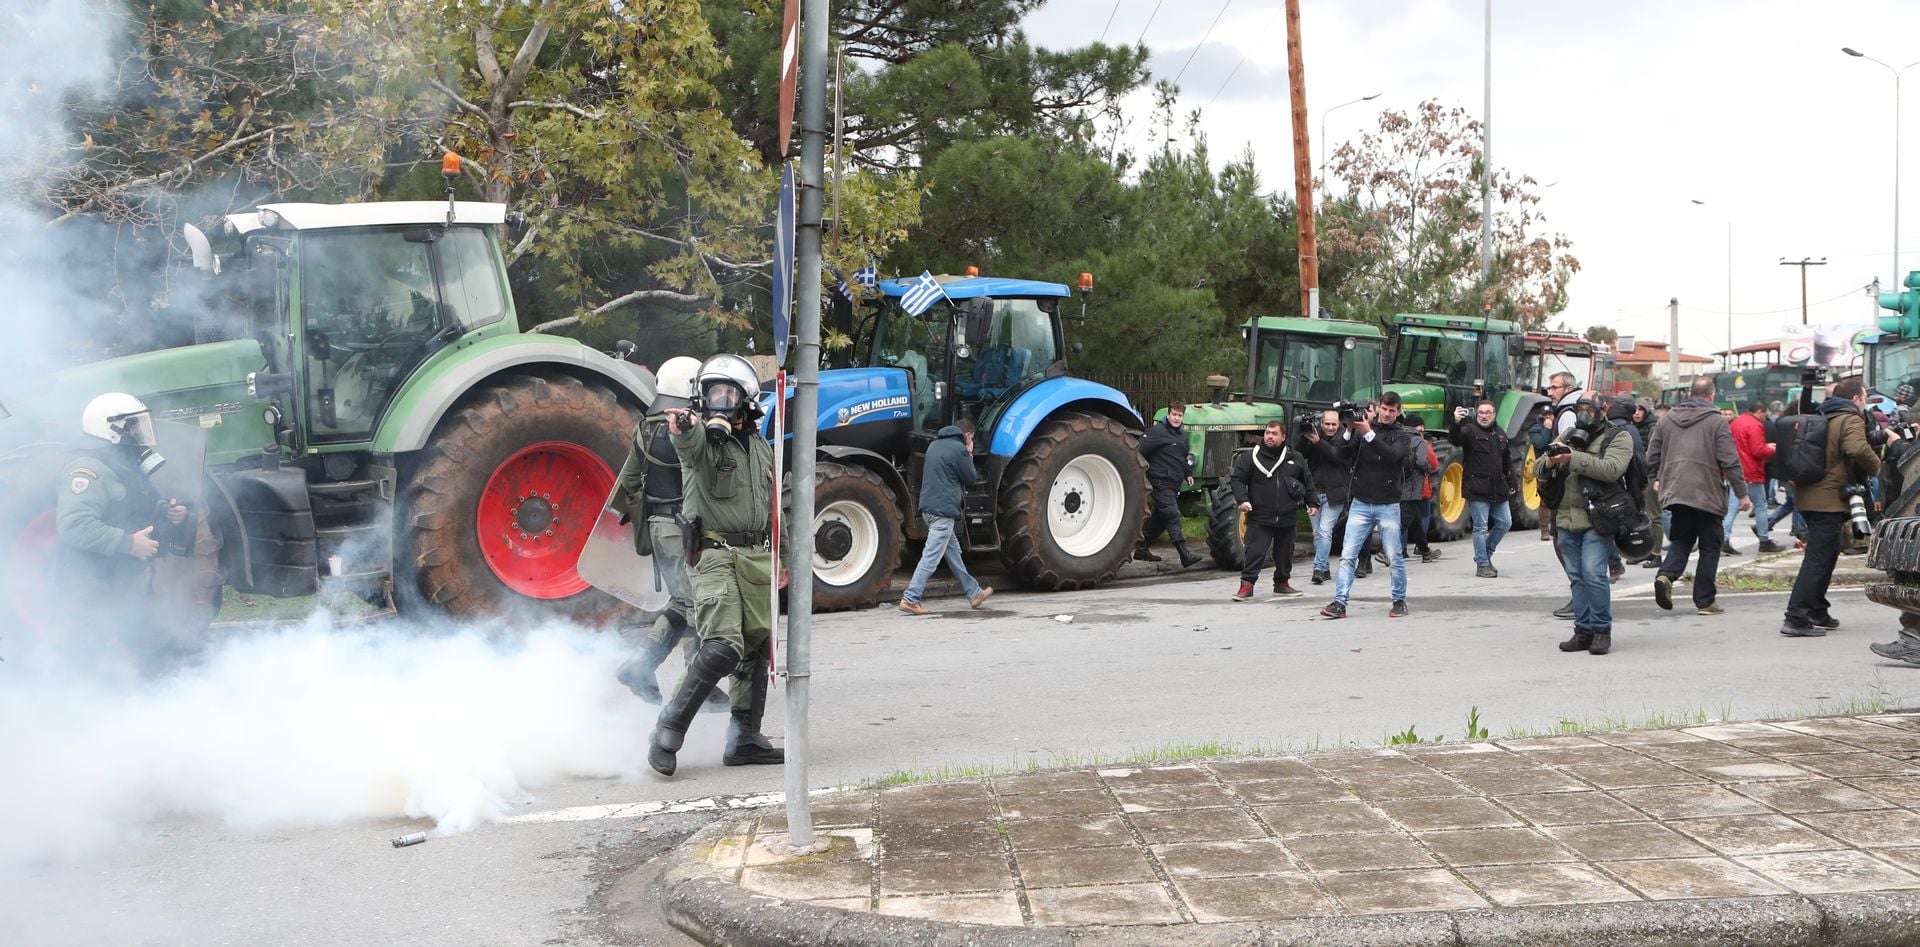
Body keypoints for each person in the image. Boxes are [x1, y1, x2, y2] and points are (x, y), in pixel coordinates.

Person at [648, 354, 785, 776]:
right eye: (710, 393)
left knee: (756, 645)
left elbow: (773, 506)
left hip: (757, 556)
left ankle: (744, 737)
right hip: (714, 556)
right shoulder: (702, 442)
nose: (718, 402)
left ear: (746, 399)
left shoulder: (760, 447)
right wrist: (685, 429)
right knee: (724, 646)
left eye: (726, 393)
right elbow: (687, 446)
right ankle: (669, 727)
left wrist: (783, 560)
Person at [610, 357, 730, 711]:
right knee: (698, 605)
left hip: (659, 528)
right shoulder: (690, 429)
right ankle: (699, 682)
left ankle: (640, 665)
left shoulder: (645, 427)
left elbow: (629, 482)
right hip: (686, 530)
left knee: (681, 601)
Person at [57, 392, 191, 671]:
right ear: (111, 429)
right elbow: (73, 525)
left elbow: (129, 501)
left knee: (154, 645)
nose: (138, 431)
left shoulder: (120, 463)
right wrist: (129, 543)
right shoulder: (87, 470)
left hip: (120, 575)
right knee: (88, 657)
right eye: (132, 425)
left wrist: (165, 509)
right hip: (92, 584)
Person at [1535, 400, 1636, 655]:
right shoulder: (1568, 434)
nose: (1584, 414)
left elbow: (1612, 469)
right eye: (1580, 409)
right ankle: (1583, 631)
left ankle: (1601, 630)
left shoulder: (1618, 436)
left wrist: (1572, 458)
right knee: (1577, 577)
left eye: (1590, 409)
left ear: (1602, 410)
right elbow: (1538, 467)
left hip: (1598, 517)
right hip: (1566, 516)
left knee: (1592, 573)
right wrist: (1549, 461)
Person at [1783, 377, 1880, 637]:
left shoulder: (1823, 415)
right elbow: (1857, 448)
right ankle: (1796, 616)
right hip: (1827, 499)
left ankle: (1816, 609)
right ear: (1856, 399)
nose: (1865, 404)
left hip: (1810, 495)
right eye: (1864, 398)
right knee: (1817, 559)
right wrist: (1877, 466)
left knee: (1826, 556)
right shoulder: (1850, 418)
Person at [1646, 377, 1749, 617]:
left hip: (1676, 491)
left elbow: (1652, 455)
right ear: (1711, 396)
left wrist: (1655, 477)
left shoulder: (1666, 419)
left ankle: (1665, 575)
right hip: (1707, 492)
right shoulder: (1716, 421)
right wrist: (1742, 494)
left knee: (1682, 539)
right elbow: (1730, 461)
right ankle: (1705, 601)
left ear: (1690, 393)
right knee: (1710, 545)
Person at [1321, 393, 1416, 620]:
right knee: (1347, 556)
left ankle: (1399, 601)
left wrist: (1369, 434)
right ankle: (1340, 603)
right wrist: (1349, 429)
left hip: (1388, 504)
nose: (1386, 413)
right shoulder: (1363, 430)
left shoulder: (1402, 435)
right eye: (1384, 408)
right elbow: (1340, 454)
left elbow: (1393, 456)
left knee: (1394, 556)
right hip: (1361, 502)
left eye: (1392, 410)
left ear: (1398, 411)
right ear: (1378, 408)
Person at [899, 421, 994, 614]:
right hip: (943, 512)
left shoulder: (934, 445)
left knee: (953, 554)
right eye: (972, 438)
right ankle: (911, 598)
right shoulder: (959, 449)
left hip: (928, 510)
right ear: (967, 435)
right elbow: (971, 478)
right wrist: (969, 453)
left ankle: (973, 592)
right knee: (931, 557)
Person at [1230, 419, 1313, 600]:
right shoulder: (1251, 457)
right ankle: (1246, 586)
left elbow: (1308, 481)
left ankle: (1282, 583)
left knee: (1285, 554)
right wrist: (1242, 500)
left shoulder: (1295, 458)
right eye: (1267, 432)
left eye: (1274, 434)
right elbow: (1236, 480)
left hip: (1287, 516)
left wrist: (1312, 503)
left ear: (1283, 437)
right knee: (1255, 552)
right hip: (1260, 516)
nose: (1269, 436)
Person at [1450, 400, 1515, 578]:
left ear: (1494, 415)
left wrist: (1512, 483)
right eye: (1480, 413)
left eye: (1487, 413)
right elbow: (1455, 439)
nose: (1484, 416)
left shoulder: (1500, 434)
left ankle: (1484, 554)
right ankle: (1483, 564)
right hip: (1477, 488)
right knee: (1480, 527)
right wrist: (1456, 422)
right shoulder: (1469, 431)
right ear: (1476, 415)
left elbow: (1507, 461)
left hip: (1498, 488)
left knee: (1505, 522)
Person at [1136, 403, 1203, 567]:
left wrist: (1188, 474)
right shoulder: (1157, 432)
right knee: (1172, 514)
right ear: (1168, 415)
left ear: (1182, 417)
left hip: (1173, 483)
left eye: (1179, 416)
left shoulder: (1180, 434)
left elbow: (1182, 455)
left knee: (1161, 518)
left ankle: (1142, 549)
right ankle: (1184, 555)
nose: (1176, 418)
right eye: (1174, 415)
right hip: (1160, 481)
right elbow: (1137, 451)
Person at [1305, 409, 1353, 584]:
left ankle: (1318, 568)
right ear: (1321, 423)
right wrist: (1303, 434)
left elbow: (1338, 457)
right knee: (1317, 533)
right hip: (1314, 492)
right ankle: (1324, 569)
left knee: (1325, 531)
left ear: (1339, 424)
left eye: (1334, 424)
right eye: (1327, 424)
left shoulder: (1346, 437)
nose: (1330, 428)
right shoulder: (1313, 434)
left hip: (1335, 492)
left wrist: (1318, 443)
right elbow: (1298, 451)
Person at [1730, 400, 1782, 553]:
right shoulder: (1756, 425)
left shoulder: (1737, 422)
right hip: (1752, 471)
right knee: (1760, 506)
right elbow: (1758, 450)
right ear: (1760, 411)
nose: (1766, 418)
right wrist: (1773, 449)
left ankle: (1723, 538)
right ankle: (1764, 540)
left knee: (1733, 507)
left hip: (1737, 470)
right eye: (1765, 414)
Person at [1395, 415, 1439, 563]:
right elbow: (1431, 462)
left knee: (1415, 519)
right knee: (1411, 518)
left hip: (1397, 484)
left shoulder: (1396, 437)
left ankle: (1423, 549)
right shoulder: (1421, 441)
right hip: (1417, 486)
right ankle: (1388, 550)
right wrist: (1427, 470)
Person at [1525, 402, 1555, 541]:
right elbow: (1540, 443)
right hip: (1544, 467)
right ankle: (1544, 530)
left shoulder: (1559, 427)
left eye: (1550, 414)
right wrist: (1547, 429)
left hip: (1558, 466)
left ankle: (1556, 528)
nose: (1548, 417)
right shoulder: (1535, 429)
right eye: (1545, 415)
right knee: (1545, 500)